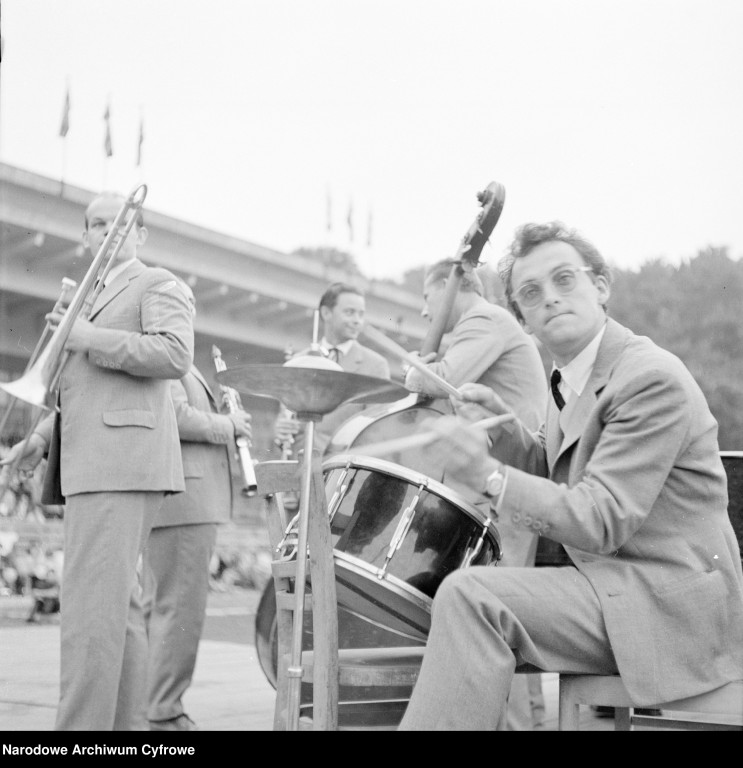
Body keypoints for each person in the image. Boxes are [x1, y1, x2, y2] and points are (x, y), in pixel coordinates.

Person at [398, 220, 743, 730]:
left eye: (565, 280)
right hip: (614, 589)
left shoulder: (648, 376)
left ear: (600, 287)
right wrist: (504, 431)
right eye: (532, 293)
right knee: (465, 591)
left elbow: (600, 517)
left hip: (671, 610)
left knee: (472, 595)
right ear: (524, 319)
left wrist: (488, 474)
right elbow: (558, 470)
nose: (552, 299)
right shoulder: (572, 376)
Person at [0, 191, 194, 730]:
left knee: (89, 615)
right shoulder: (88, 296)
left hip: (120, 462)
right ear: (85, 237)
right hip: (98, 459)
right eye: (96, 224)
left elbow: (176, 354)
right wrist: (40, 438)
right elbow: (77, 386)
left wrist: (89, 337)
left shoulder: (156, 283)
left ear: (139, 234)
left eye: (118, 222)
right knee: (117, 613)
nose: (107, 231)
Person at [404, 258, 548, 730]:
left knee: (501, 618)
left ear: (451, 286)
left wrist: (414, 371)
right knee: (510, 619)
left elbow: (435, 378)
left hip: (511, 478)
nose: (426, 313)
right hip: (513, 477)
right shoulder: (488, 326)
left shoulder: (485, 318)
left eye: (429, 297)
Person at [142, 282, 252, 732]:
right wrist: (229, 424)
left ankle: (150, 703)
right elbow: (178, 418)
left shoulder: (179, 362)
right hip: (186, 500)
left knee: (162, 606)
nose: (186, 316)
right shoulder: (169, 361)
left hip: (183, 499)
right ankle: (164, 711)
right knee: (180, 610)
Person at [274, 282, 390, 459]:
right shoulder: (298, 361)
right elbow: (285, 421)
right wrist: (280, 432)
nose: (357, 320)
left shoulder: (376, 365)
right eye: (349, 312)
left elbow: (376, 432)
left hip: (342, 470)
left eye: (361, 314)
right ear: (326, 313)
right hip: (298, 467)